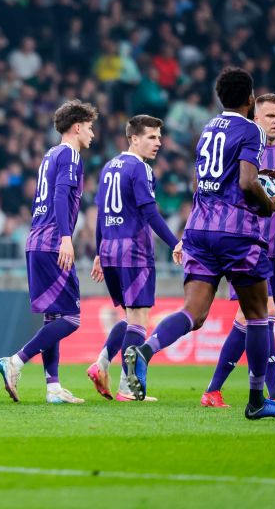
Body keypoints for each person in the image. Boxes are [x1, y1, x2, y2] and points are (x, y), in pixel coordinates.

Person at [124, 67, 275, 420]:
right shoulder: (252, 131)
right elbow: (247, 181)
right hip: (237, 233)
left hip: (199, 229)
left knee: (194, 313)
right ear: (250, 99)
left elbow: (199, 182)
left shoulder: (209, 127)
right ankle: (256, 400)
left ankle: (145, 351)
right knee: (258, 315)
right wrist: (267, 204)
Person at [0, 100, 98, 404]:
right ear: (77, 127)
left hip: (36, 240)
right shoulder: (70, 154)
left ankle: (53, 388)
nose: (92, 134)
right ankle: (15, 361)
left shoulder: (50, 155)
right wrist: (66, 238)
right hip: (54, 242)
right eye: (90, 127)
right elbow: (60, 195)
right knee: (71, 318)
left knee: (53, 317)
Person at [202, 93, 275, 409]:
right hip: (246, 244)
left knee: (253, 316)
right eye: (270, 116)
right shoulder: (243, 146)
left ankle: (214, 390)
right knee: (261, 313)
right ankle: (272, 389)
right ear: (256, 117)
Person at [87, 115, 181, 402]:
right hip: (134, 251)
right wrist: (175, 243)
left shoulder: (109, 167)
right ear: (134, 138)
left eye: (159, 137)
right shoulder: (140, 168)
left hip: (110, 250)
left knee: (131, 318)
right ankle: (127, 388)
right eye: (151, 137)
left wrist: (99, 252)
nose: (158, 142)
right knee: (139, 318)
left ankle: (102, 362)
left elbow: (101, 215)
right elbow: (150, 213)